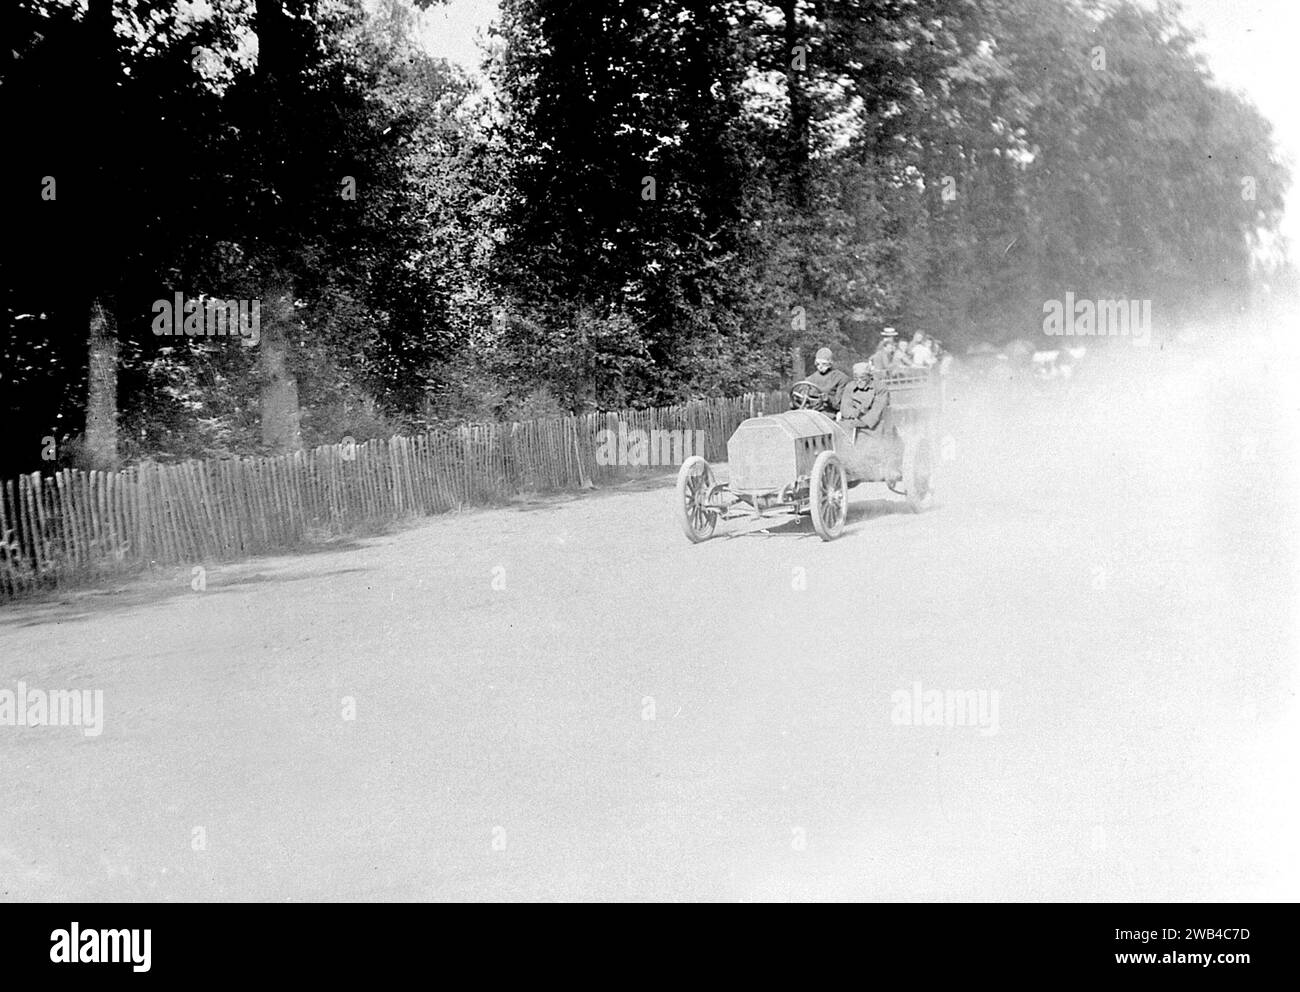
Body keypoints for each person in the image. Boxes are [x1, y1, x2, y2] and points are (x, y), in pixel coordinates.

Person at [838, 361, 887, 432]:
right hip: (852, 422)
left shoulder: (880, 388)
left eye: (863, 378)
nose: (859, 381)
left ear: (870, 376)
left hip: (874, 425)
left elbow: (877, 410)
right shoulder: (850, 386)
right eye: (856, 378)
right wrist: (856, 413)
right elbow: (845, 407)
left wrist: (864, 422)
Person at [802, 346, 851, 412]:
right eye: (818, 364)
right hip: (810, 411)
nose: (820, 367)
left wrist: (828, 399)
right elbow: (802, 398)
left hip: (829, 413)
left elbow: (839, 405)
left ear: (830, 363)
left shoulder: (841, 378)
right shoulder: (809, 379)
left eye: (824, 364)